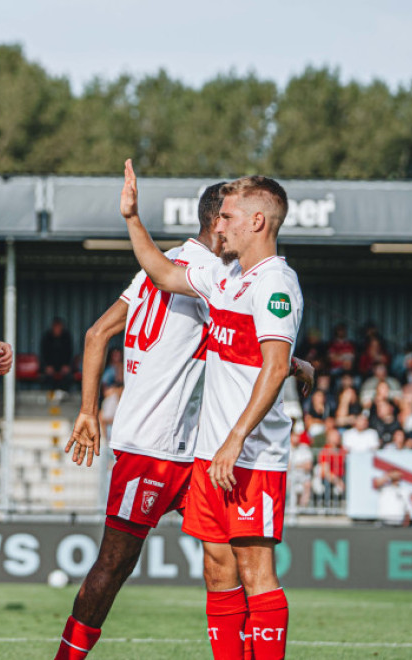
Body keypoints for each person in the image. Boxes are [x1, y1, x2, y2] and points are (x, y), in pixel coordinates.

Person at [118, 163, 302, 660]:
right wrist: (133, 218)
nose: (218, 225)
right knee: (217, 568)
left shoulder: (275, 283)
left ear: (257, 222)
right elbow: (162, 271)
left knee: (255, 573)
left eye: (227, 216)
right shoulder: (229, 280)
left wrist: (236, 438)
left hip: (250, 456)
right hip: (212, 454)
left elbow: (274, 365)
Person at [55, 181, 228, 658]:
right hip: (154, 446)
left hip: (178, 445)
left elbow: (96, 334)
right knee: (114, 566)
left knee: (226, 553)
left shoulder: (161, 260)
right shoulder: (214, 273)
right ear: (219, 223)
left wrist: (89, 411)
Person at [41, 318, 75, 391]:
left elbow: (70, 352)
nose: (57, 329)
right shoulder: (47, 337)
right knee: (47, 377)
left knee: (68, 377)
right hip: (50, 366)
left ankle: (64, 395)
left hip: (63, 366)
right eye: (56, 327)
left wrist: (67, 365)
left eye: (59, 327)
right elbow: (44, 353)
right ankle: (50, 395)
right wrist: (47, 366)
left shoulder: (66, 337)